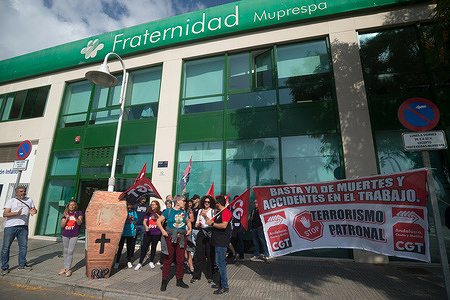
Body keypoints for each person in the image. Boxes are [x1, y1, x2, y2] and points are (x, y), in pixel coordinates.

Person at [156, 195, 191, 291]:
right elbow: (158, 221)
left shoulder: (184, 212)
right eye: (184, 201)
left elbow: (188, 222)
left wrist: (190, 229)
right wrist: (163, 231)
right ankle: (164, 282)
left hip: (181, 238)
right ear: (178, 201)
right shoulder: (169, 211)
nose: (185, 202)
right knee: (168, 260)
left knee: (180, 260)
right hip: (170, 238)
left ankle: (179, 280)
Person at [1, 186, 37, 275]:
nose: (23, 193)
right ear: (16, 193)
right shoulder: (11, 201)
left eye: (24, 191)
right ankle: (5, 267)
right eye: (21, 191)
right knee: (6, 247)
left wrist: (34, 211)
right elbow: (5, 214)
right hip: (11, 227)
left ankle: (22, 264)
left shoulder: (29, 200)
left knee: (23, 247)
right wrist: (16, 213)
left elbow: (33, 209)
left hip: (23, 227)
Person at [204, 195, 232, 294]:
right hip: (217, 241)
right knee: (219, 263)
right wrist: (205, 217)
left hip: (221, 241)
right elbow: (211, 222)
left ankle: (224, 286)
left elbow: (224, 225)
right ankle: (220, 283)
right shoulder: (219, 212)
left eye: (216, 203)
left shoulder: (226, 212)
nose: (215, 204)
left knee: (221, 264)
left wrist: (212, 224)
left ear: (219, 203)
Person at [191, 195, 216, 284]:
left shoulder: (213, 211)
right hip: (201, 232)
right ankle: (196, 275)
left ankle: (210, 276)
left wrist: (205, 217)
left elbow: (212, 223)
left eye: (208, 202)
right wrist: (197, 223)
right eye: (205, 201)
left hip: (209, 233)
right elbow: (197, 222)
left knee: (210, 255)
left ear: (211, 203)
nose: (206, 203)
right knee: (199, 254)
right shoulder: (200, 211)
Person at [135, 200, 162, 270]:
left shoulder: (160, 213)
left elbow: (162, 221)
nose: (152, 206)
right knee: (144, 248)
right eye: (151, 205)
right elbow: (145, 221)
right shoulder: (148, 213)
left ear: (157, 205)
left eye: (153, 205)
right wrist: (146, 227)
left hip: (156, 233)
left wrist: (158, 215)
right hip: (148, 233)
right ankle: (140, 263)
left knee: (153, 247)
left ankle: (151, 261)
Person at [59, 200, 83, 277]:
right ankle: (65, 268)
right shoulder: (65, 213)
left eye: (73, 205)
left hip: (74, 234)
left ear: (75, 206)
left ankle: (68, 268)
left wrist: (75, 217)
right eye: (70, 205)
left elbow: (79, 223)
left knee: (70, 251)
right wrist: (66, 218)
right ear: (68, 206)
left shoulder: (79, 213)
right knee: (65, 251)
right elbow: (62, 225)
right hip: (65, 234)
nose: (71, 206)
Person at [114, 202, 137, 269]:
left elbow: (136, 223)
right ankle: (117, 262)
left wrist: (133, 220)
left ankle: (129, 261)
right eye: (128, 208)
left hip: (130, 232)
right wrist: (126, 218)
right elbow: (119, 221)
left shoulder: (134, 213)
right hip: (122, 232)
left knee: (129, 248)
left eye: (131, 208)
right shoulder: (122, 212)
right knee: (120, 248)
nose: (130, 209)